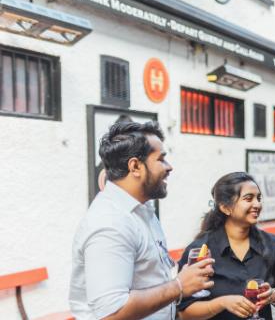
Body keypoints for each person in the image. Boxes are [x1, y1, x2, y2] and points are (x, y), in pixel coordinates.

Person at [70, 121, 214, 319]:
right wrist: (179, 285)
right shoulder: (111, 223)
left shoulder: (141, 210)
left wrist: (181, 278)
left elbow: (147, 278)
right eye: (161, 159)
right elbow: (111, 313)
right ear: (135, 166)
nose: (169, 167)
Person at [178, 172, 275, 320]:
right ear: (226, 208)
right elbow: (183, 313)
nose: (257, 204)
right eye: (248, 199)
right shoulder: (200, 251)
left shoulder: (274, 245)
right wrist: (221, 303)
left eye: (259, 198)